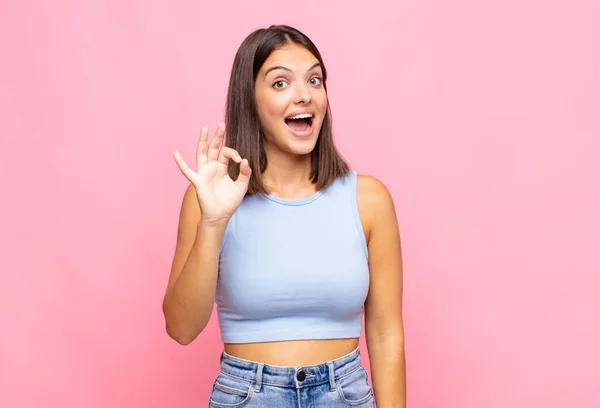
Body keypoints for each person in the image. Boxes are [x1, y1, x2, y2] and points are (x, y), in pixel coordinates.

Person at [162, 24, 406, 407]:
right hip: (247, 396)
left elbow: (385, 332)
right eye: (280, 83)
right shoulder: (210, 199)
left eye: (314, 80)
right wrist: (213, 222)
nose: (304, 95)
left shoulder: (368, 199)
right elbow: (180, 328)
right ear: (250, 100)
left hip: (344, 394)